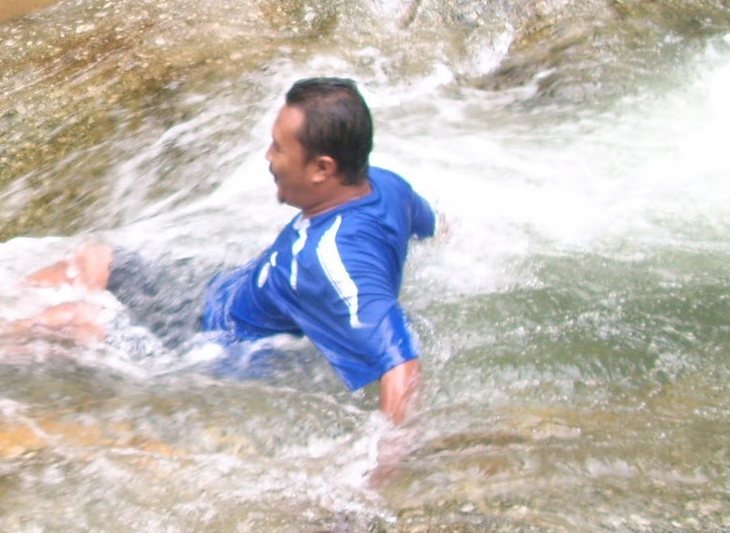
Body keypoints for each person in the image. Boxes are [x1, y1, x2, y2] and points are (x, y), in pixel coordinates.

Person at [27, 77, 436, 424]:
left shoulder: (333, 261)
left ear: (322, 168)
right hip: (221, 288)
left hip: (211, 348)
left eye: (279, 148)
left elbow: (402, 369)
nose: (268, 157)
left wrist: (372, 485)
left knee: (73, 319)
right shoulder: (385, 185)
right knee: (93, 260)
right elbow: (430, 225)